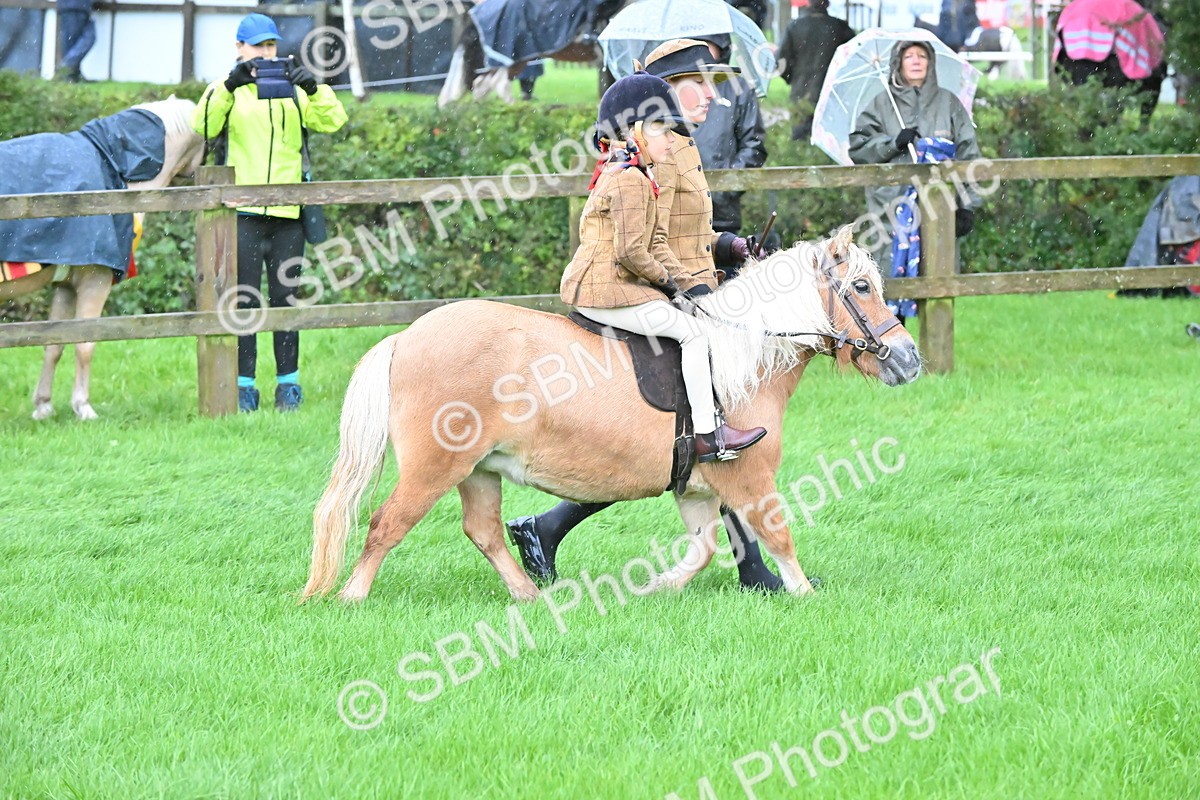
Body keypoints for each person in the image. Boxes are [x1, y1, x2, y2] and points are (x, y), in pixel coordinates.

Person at [507, 43, 784, 593]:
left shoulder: (677, 145)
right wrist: (687, 286)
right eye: (698, 84)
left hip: (681, 284)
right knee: (675, 426)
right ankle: (751, 567)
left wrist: (728, 246)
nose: (711, 94)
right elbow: (648, 241)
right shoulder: (660, 149)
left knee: (676, 425)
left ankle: (549, 527)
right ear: (662, 95)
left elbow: (683, 232)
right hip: (654, 289)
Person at [191, 13, 348, 412]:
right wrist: (229, 85)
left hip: (288, 215)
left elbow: (334, 121)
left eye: (271, 45)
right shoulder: (229, 89)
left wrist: (314, 88)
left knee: (285, 299)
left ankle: (288, 387)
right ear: (239, 48)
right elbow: (204, 125)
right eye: (258, 46)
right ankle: (244, 388)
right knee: (244, 302)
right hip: (242, 212)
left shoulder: (295, 91)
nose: (265, 52)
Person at [848, 40, 980, 321]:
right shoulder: (881, 104)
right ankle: (894, 354)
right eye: (909, 56)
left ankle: (938, 359)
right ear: (899, 63)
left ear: (931, 62)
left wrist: (968, 205)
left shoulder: (949, 103)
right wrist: (892, 143)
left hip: (940, 209)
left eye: (922, 55)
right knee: (891, 285)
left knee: (937, 281)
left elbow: (970, 156)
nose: (917, 61)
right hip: (892, 211)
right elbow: (858, 148)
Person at [689, 34, 767, 239]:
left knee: (724, 267)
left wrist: (725, 188)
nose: (700, 50)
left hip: (722, 214)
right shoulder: (670, 86)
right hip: (679, 213)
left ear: (721, 47)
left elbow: (754, 146)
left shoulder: (738, 88)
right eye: (693, 43)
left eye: (706, 45)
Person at [776, 0, 855, 140]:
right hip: (832, 94)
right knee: (830, 141)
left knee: (800, 143)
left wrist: (793, 78)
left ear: (808, 3)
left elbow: (781, 61)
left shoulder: (794, 27)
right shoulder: (840, 28)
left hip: (801, 94)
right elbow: (852, 61)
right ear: (828, 4)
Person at [56, 0, 97, 83]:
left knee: (72, 41)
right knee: (84, 38)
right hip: (75, 5)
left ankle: (71, 73)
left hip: (73, 6)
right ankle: (67, 67)